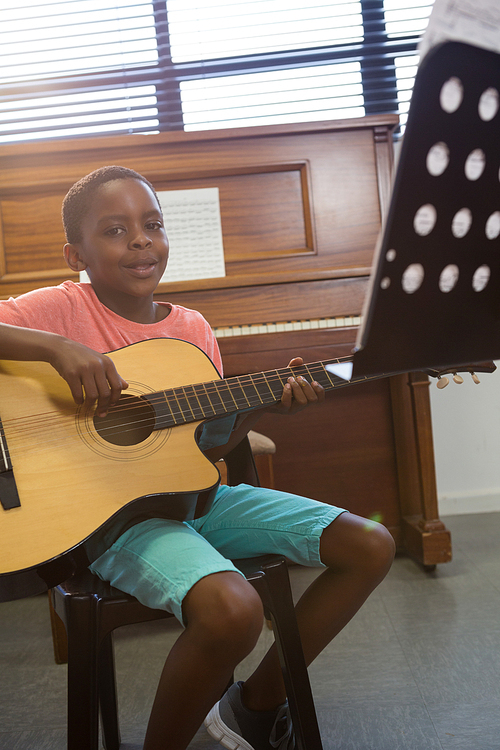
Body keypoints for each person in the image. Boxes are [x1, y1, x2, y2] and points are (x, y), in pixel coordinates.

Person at [0, 166, 395, 750]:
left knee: (370, 544)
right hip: (112, 522)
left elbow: (202, 449)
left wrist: (265, 408)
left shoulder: (191, 329)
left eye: (152, 225)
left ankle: (256, 705)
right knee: (233, 611)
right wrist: (56, 348)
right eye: (115, 229)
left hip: (192, 499)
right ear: (74, 253)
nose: (140, 240)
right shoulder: (56, 310)